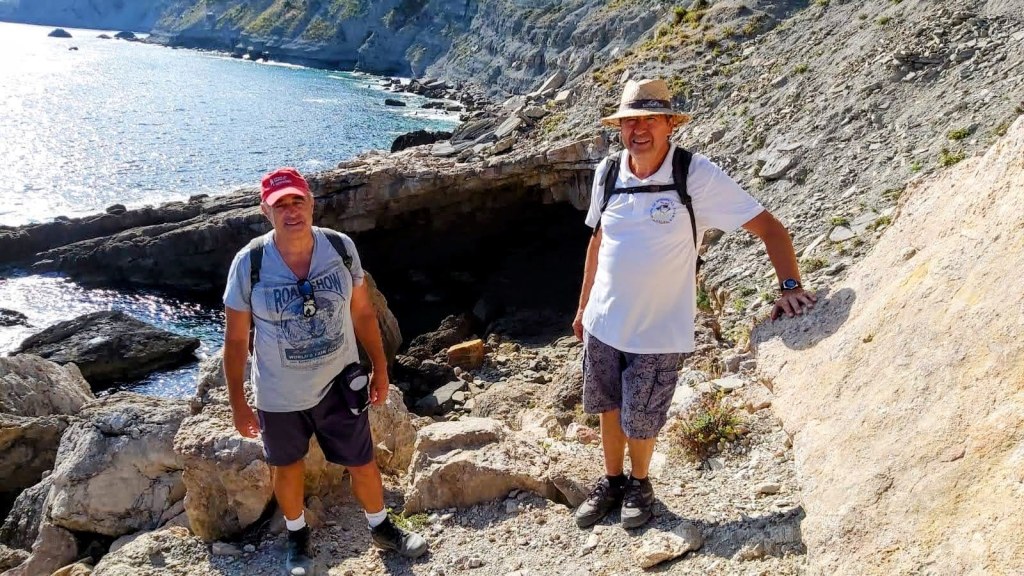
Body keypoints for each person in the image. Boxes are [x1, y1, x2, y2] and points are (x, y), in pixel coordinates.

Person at [571, 79, 816, 530]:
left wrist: (789, 286)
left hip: (659, 329)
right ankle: (612, 481)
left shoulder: (694, 175)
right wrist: (583, 307)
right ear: (620, 128)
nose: (638, 128)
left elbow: (772, 229)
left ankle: (640, 484)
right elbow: (597, 241)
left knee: (642, 416)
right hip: (604, 322)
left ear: (669, 124)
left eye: (649, 119)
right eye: (629, 121)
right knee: (608, 405)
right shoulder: (607, 172)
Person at [222, 167, 428, 575]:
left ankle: (382, 526)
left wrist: (381, 369)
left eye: (298, 200)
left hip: (340, 382)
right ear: (266, 210)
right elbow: (234, 341)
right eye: (281, 204)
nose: (291, 210)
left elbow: (363, 313)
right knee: (287, 466)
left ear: (311, 202)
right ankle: (297, 538)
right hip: (279, 394)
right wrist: (238, 404)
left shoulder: (339, 248)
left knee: (362, 460)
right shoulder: (250, 263)